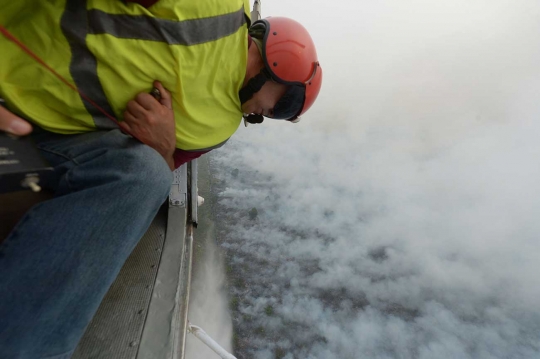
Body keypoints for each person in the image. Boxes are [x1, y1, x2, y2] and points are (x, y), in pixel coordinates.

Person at [0, 0, 322, 358]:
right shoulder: (211, 7)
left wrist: (164, 145)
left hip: (66, 139)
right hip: (12, 83)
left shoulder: (218, 128)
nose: (275, 115)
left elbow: (166, 166)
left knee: (146, 176)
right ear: (276, 60)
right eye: (288, 104)